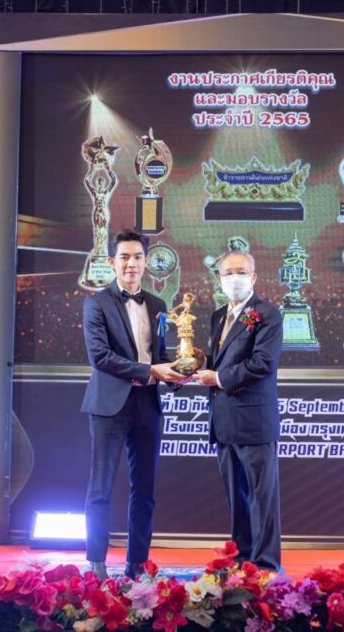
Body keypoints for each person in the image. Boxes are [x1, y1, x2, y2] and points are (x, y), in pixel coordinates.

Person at [80, 229, 185, 580]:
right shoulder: (96, 303)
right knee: (101, 488)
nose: (131, 264)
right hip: (109, 406)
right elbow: (100, 357)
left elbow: (162, 354)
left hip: (147, 403)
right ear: (112, 262)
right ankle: (96, 564)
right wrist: (151, 371)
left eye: (137, 257)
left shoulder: (158, 305)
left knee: (145, 489)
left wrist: (179, 372)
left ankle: (137, 565)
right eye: (124, 257)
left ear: (146, 262)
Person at [194, 250, 283, 570]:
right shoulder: (219, 315)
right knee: (237, 498)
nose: (235, 278)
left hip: (254, 420)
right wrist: (194, 363)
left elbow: (263, 363)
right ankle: (242, 560)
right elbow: (221, 359)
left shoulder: (267, 314)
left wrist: (217, 377)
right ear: (219, 279)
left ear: (253, 277)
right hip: (224, 420)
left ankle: (266, 565)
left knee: (262, 498)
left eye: (241, 272)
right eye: (228, 273)